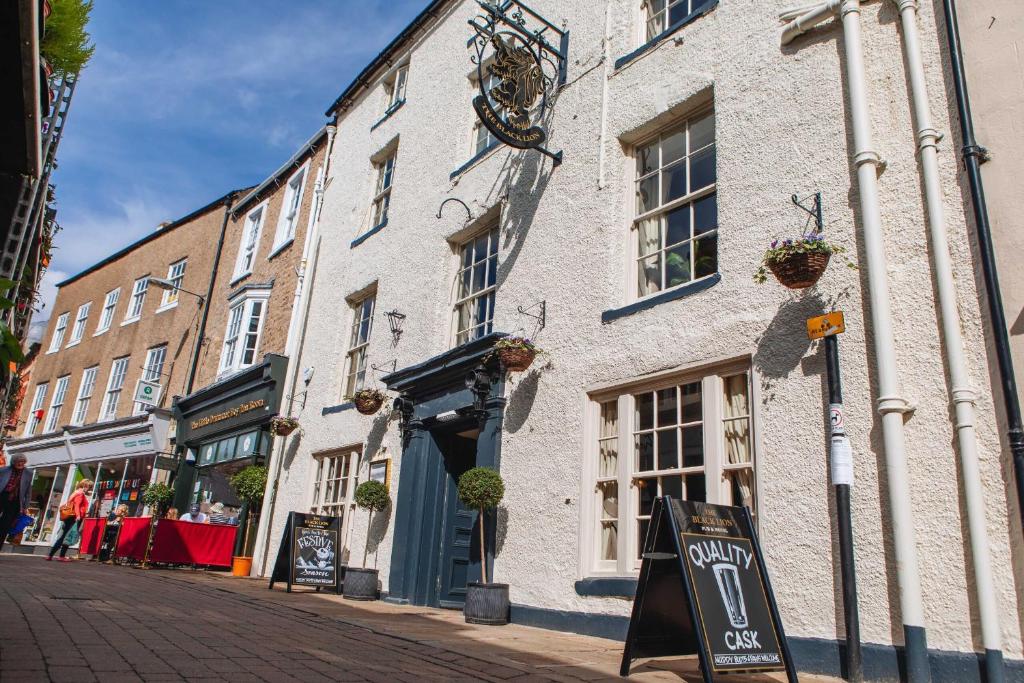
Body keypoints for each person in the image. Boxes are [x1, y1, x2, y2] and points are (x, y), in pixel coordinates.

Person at [47, 479, 92, 562]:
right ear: (85, 486)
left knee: (63, 536)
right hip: (74, 517)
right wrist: (78, 516)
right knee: (68, 536)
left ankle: (50, 555)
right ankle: (61, 556)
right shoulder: (80, 494)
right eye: (88, 486)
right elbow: (77, 505)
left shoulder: (75, 492)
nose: (88, 488)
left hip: (69, 517)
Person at [0, 454, 33, 552]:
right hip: (2, 496)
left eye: (22, 462)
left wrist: (25, 506)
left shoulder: (28, 473)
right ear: (13, 462)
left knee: (4, 527)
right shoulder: (3, 470)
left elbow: (28, 491)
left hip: (15, 501)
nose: (20, 464)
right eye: (18, 462)